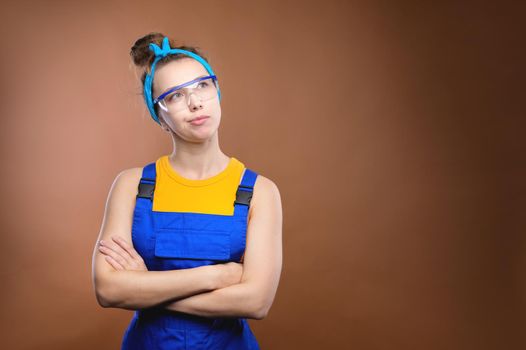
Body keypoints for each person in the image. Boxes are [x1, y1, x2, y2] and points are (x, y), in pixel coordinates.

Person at [91, 32, 283, 349]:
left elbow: (256, 301)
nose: (194, 102)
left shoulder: (260, 191)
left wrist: (146, 287)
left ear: (217, 90)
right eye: (175, 96)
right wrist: (214, 277)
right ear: (160, 117)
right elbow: (108, 291)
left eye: (202, 86)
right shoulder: (132, 186)